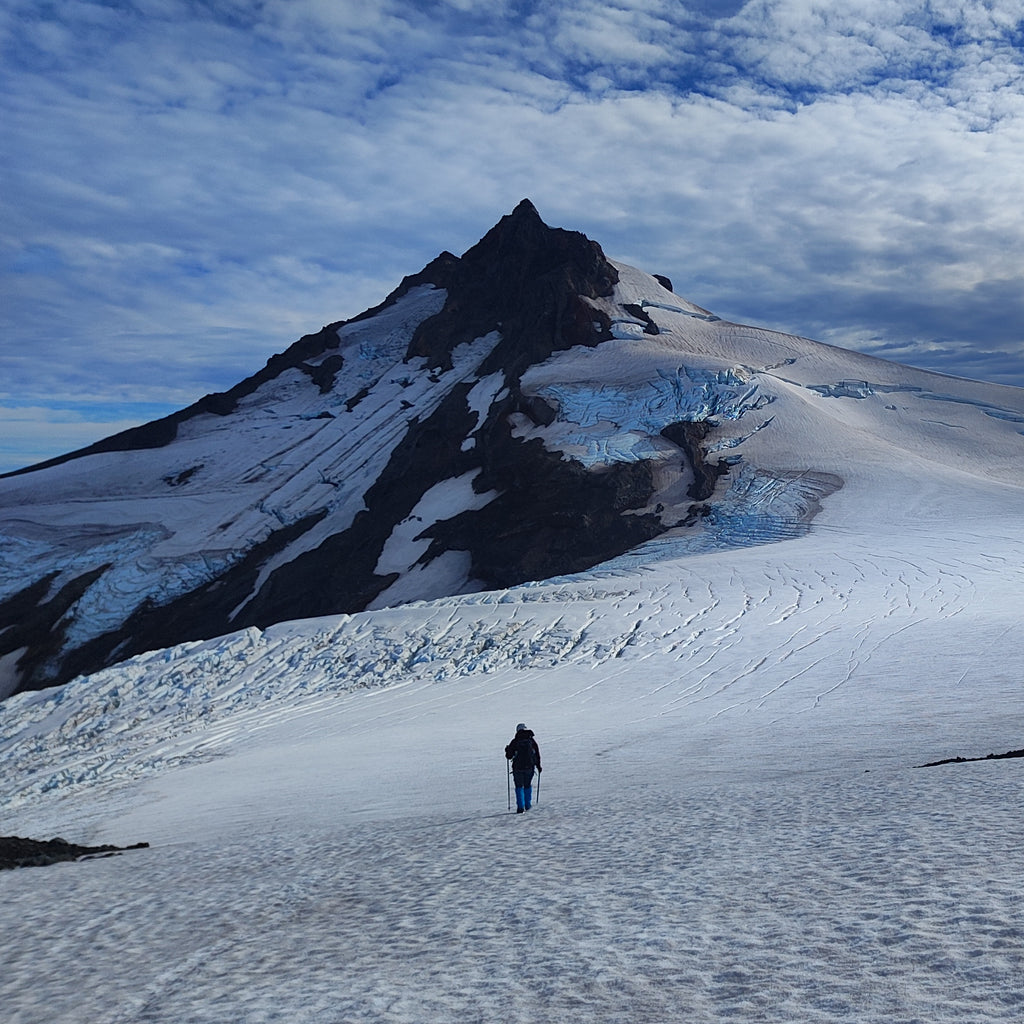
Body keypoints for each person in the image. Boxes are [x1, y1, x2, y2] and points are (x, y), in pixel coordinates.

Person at [505, 723, 541, 813]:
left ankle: (520, 807)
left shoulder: (515, 741)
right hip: (530, 766)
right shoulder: (531, 741)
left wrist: (507, 750)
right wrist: (538, 766)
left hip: (518, 767)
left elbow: (509, 756)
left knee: (519, 786)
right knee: (527, 785)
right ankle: (528, 805)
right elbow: (536, 754)